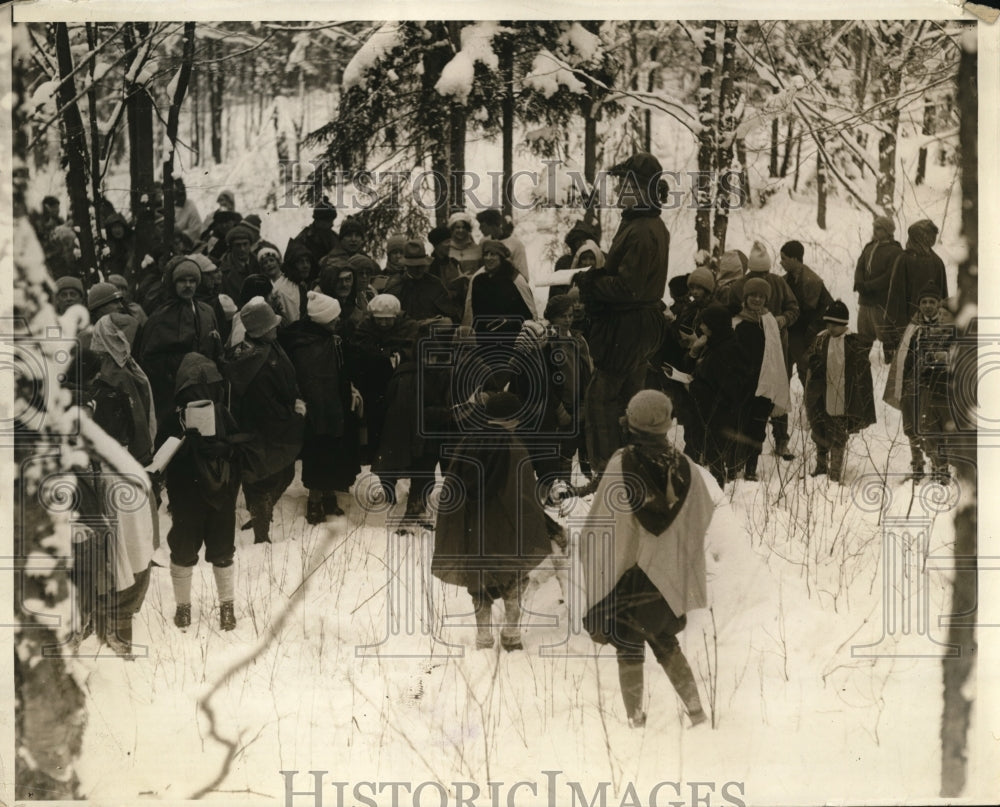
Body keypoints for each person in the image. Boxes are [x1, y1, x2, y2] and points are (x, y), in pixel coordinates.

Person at [579, 389, 713, 728]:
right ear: (668, 424)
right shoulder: (687, 468)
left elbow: (598, 527)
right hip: (663, 577)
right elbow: (702, 516)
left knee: (628, 648)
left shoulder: (619, 465)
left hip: (628, 577)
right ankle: (696, 712)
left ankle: (635, 721)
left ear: (631, 423)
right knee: (666, 643)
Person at [431, 391, 553, 651]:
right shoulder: (516, 448)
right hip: (507, 529)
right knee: (514, 578)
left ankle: (483, 636)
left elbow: (452, 488)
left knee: (479, 582)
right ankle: (511, 634)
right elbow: (524, 497)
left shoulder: (466, 444)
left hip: (475, 529)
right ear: (512, 419)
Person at [576, 151, 670, 475]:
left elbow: (628, 288)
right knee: (629, 399)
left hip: (628, 326)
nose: (618, 192)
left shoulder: (642, 229)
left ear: (642, 189)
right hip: (638, 325)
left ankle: (608, 477)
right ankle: (630, 471)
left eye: (625, 186)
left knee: (600, 401)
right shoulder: (645, 224)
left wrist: (590, 283)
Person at [163, 353, 243, 630]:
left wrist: (224, 448)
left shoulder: (221, 414)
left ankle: (220, 607)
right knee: (204, 552)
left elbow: (241, 447)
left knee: (208, 552)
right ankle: (208, 608)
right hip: (205, 497)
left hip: (201, 498)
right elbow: (163, 459)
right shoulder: (176, 420)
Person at [221, 297, 306, 544]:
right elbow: (265, 403)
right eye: (272, 326)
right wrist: (293, 415)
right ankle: (261, 535)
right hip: (264, 428)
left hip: (269, 426)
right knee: (263, 479)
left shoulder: (267, 346)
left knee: (278, 474)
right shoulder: (256, 361)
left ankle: (261, 517)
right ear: (262, 330)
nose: (276, 328)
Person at [280, 292, 362, 522]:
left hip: (334, 405)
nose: (338, 322)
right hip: (316, 409)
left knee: (332, 451)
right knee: (317, 455)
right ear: (322, 320)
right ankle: (314, 500)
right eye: (334, 319)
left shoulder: (329, 338)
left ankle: (328, 495)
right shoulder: (306, 343)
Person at [725, 241, 800, 460]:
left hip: (776, 347)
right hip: (747, 349)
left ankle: (781, 440)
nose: (761, 278)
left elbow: (794, 308)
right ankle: (741, 446)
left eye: (765, 273)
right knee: (747, 398)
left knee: (776, 391)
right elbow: (729, 309)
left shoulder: (777, 283)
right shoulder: (739, 286)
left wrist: (783, 319)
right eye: (756, 273)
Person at [137, 257, 222, 436]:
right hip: (173, 394)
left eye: (192, 281)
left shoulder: (207, 311)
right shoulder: (161, 317)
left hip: (205, 391)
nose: (188, 286)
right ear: (173, 284)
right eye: (182, 281)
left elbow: (216, 350)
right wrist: (183, 365)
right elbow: (150, 359)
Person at [883, 284, 955, 483]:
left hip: (936, 387)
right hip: (912, 385)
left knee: (932, 427)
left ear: (938, 304)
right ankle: (917, 466)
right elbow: (904, 357)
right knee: (911, 425)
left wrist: (940, 358)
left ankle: (941, 467)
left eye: (932, 302)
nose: (928, 306)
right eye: (924, 302)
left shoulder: (947, 326)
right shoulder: (913, 326)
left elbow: (956, 355)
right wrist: (904, 382)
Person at [803, 301, 876, 483]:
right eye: (828, 324)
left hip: (842, 397)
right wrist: (812, 362)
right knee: (819, 429)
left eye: (834, 325)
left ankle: (835, 471)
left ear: (843, 324)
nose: (830, 328)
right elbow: (807, 356)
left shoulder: (853, 342)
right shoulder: (821, 338)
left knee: (837, 434)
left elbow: (861, 372)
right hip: (820, 395)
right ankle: (821, 466)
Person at [731, 277, 791, 481]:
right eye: (752, 295)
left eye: (761, 296)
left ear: (766, 299)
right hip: (739, 382)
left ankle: (750, 467)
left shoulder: (769, 322)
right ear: (745, 297)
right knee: (737, 423)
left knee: (757, 426)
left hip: (762, 381)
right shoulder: (735, 321)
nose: (756, 299)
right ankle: (733, 464)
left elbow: (776, 353)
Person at [351, 294, 419, 473]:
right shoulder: (366, 327)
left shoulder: (409, 327)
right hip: (373, 381)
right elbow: (361, 347)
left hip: (400, 381)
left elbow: (414, 347)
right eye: (379, 320)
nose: (382, 325)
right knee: (375, 418)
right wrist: (385, 354)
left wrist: (400, 355)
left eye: (387, 321)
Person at [686, 304, 750, 486]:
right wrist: (693, 352)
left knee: (713, 457)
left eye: (705, 324)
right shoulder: (712, 344)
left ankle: (717, 495)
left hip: (718, 414)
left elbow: (724, 384)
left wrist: (694, 383)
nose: (701, 328)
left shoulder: (729, 349)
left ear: (716, 325)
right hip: (705, 412)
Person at [779, 240, 834, 389]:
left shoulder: (811, 281)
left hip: (807, 334)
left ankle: (813, 409)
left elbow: (815, 312)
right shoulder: (786, 280)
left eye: (784, 258)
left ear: (794, 259)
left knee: (807, 373)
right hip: (792, 332)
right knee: (782, 373)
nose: (780, 262)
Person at [885, 219, 949, 346]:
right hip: (932, 328)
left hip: (907, 329)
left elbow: (895, 300)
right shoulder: (937, 261)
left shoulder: (904, 259)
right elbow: (944, 298)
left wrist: (892, 334)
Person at [463, 239, 536, 342]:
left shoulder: (515, 279)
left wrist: (509, 322)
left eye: (493, 254)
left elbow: (529, 313)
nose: (488, 258)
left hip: (511, 337)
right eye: (486, 254)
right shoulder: (479, 280)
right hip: (485, 337)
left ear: (501, 257)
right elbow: (473, 311)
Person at [853, 216, 903, 362]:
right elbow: (860, 266)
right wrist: (859, 282)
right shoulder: (869, 247)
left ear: (888, 231)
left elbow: (889, 276)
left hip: (880, 301)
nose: (875, 230)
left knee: (886, 335)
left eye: (879, 228)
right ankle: (861, 361)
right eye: (875, 227)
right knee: (864, 333)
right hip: (865, 300)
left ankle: (889, 362)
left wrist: (869, 286)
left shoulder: (895, 251)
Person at [384, 239, 460, 322]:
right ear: (407, 266)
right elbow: (388, 315)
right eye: (414, 267)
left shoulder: (434, 283)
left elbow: (450, 312)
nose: (419, 270)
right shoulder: (395, 285)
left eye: (422, 266)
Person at [287, 197, 339, 282]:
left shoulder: (334, 237)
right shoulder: (303, 239)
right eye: (328, 221)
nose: (332, 224)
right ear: (318, 221)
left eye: (332, 221)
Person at [477, 209, 528, 280]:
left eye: (483, 226)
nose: (480, 228)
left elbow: (523, 272)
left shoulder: (516, 244)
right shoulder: (484, 242)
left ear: (492, 225)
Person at [218, 222, 259, 300]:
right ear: (231, 247)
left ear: (250, 245)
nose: (242, 249)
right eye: (238, 245)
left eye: (245, 244)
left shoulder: (260, 264)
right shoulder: (223, 271)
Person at [446, 210, 482, 278]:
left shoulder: (477, 249)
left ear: (468, 229)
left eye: (464, 227)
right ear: (452, 229)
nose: (461, 230)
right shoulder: (446, 249)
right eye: (457, 227)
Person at [172, 177, 203, 246]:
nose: (182, 196)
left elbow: (195, 229)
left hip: (188, 243)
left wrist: (179, 233)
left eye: (183, 192)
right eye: (178, 194)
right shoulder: (170, 207)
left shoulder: (190, 205)